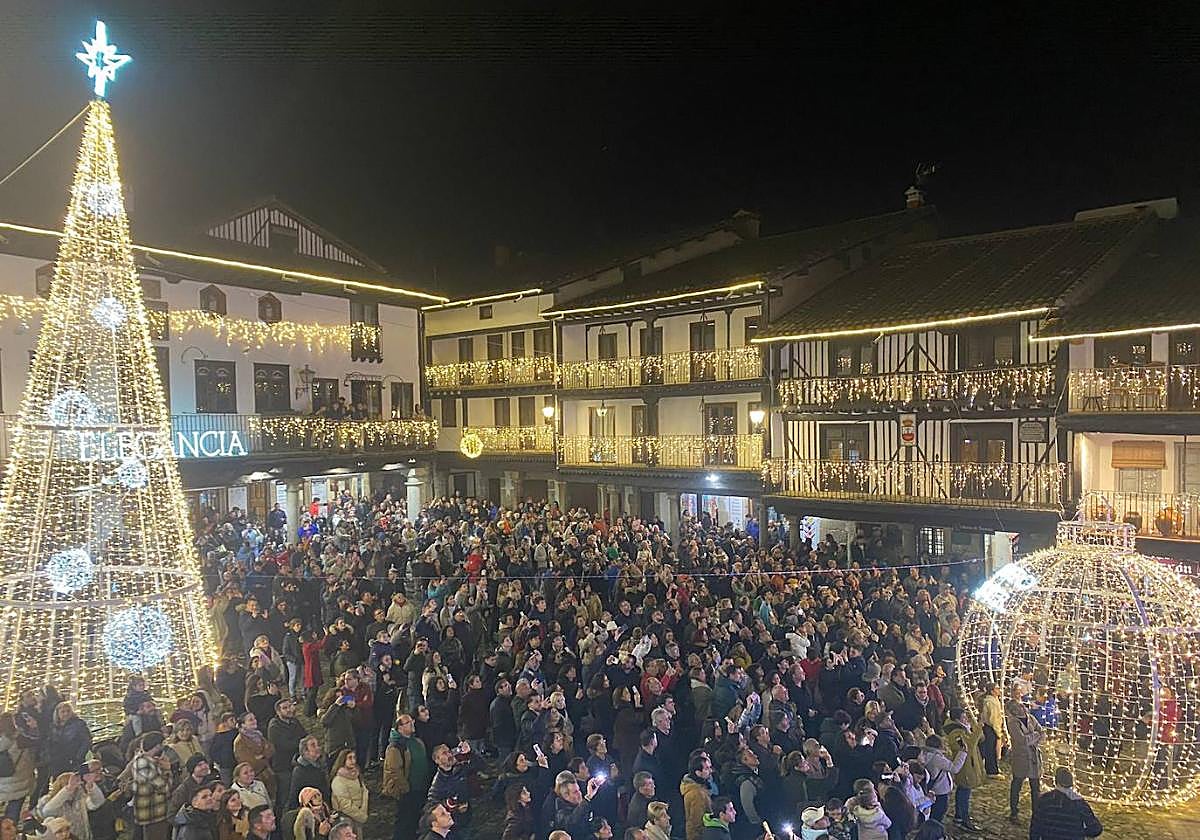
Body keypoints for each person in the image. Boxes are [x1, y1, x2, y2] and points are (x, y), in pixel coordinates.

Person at [1029, 768, 1103, 840]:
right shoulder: (1080, 804)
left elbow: (1035, 827)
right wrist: (1080, 833)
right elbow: (1096, 829)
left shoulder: (1044, 800)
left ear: (1055, 781)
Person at [941, 706, 983, 832]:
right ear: (957, 719)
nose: (966, 720)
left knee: (964, 791)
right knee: (964, 791)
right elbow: (968, 746)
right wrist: (978, 729)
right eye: (964, 718)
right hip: (964, 767)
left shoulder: (961, 729)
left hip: (968, 765)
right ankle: (964, 819)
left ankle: (959, 817)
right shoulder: (955, 733)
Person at [1005, 687, 1044, 823]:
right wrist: (1035, 736)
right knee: (1017, 784)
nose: (1020, 709)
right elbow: (1021, 740)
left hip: (1033, 757)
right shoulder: (1012, 723)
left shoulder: (1031, 718)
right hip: (1020, 758)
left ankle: (1037, 813)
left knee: (1036, 788)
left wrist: (1032, 737)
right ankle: (1014, 812)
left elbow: (1042, 732)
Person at [36, 772, 103, 840]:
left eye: (76, 785)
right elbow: (47, 811)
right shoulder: (48, 800)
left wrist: (91, 786)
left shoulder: (80, 798)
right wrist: (68, 789)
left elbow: (97, 802)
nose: (74, 789)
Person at [917, 735, 966, 824]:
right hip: (940, 790)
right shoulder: (937, 758)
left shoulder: (924, 754)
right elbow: (954, 768)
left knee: (931, 812)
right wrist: (962, 753)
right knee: (939, 813)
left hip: (930, 788)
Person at [329, 750, 368, 834]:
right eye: (350, 758)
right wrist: (361, 816)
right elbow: (345, 804)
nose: (353, 761)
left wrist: (362, 811)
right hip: (346, 819)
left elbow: (364, 792)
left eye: (354, 758)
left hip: (358, 816)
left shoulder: (357, 775)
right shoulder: (338, 781)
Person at [978, 683, 1006, 778]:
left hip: (991, 727)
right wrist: (998, 732)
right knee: (991, 750)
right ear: (992, 691)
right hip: (991, 728)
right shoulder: (991, 702)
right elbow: (993, 719)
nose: (999, 690)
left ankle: (993, 768)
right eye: (997, 688)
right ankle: (992, 771)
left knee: (991, 749)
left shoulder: (993, 700)